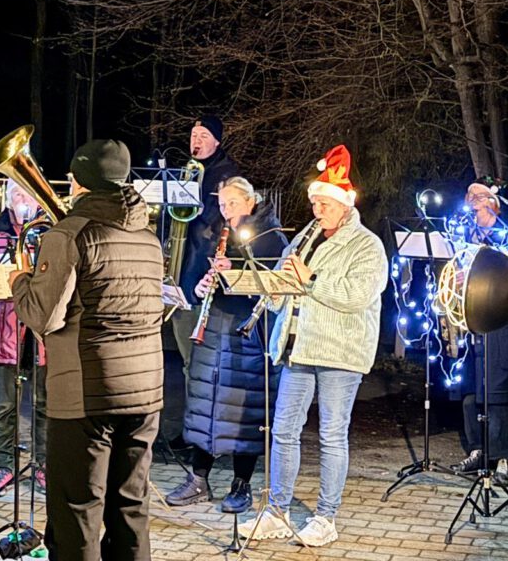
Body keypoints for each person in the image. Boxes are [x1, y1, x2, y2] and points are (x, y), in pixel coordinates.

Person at [10, 139, 164, 561]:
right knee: (130, 507)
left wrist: (19, 281)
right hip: (145, 391)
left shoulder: (69, 234)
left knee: (77, 511)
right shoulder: (148, 236)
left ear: (79, 182)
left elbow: (43, 316)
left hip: (85, 392)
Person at [240, 144, 388, 547]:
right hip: (298, 347)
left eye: (324, 204)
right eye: (315, 203)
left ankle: (326, 517)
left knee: (331, 435)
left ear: (344, 205)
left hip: (340, 351)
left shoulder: (367, 245)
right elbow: (282, 285)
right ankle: (277, 512)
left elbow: (357, 296)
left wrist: (311, 280)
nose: (316, 210)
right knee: (283, 431)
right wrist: (271, 290)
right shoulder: (304, 240)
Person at [165, 176, 288, 513]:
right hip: (213, 331)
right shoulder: (215, 232)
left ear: (250, 201)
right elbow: (194, 276)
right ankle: (198, 479)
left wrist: (234, 272)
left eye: (233, 203)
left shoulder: (271, 237)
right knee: (205, 405)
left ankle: (241, 483)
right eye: (222, 204)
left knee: (244, 411)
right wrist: (199, 288)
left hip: (248, 334)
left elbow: (273, 287)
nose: (226, 210)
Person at [166, 115, 239, 449]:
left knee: (199, 362)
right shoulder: (187, 171)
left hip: (201, 275)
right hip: (181, 273)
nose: (196, 141)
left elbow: (215, 221)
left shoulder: (227, 175)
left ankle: (200, 433)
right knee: (188, 362)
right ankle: (191, 428)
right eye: (194, 135)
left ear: (217, 141)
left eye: (204, 135)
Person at [449, 178, 508, 487]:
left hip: (499, 318)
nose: (471, 199)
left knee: (496, 390)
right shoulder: (463, 234)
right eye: (468, 194)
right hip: (469, 318)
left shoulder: (507, 234)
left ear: (493, 203)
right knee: (470, 391)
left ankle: (503, 458)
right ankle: (478, 450)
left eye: (478, 195)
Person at [0, 179, 48, 495]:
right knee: (5, 405)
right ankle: (2, 466)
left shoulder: (50, 232)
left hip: (41, 330)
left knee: (44, 404)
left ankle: (44, 465)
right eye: (16, 194)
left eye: (27, 194)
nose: (22, 199)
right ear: (8, 200)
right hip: (6, 328)